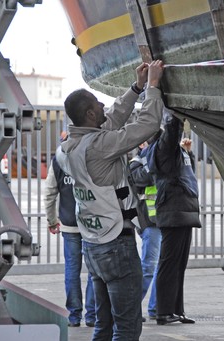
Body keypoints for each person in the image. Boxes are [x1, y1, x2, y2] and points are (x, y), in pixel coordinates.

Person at [56, 60, 165, 340]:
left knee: (104, 326)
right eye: (97, 104)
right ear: (91, 115)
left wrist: (135, 88)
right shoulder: (100, 147)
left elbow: (111, 119)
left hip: (93, 244)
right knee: (127, 327)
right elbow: (148, 124)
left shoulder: (69, 148)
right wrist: (152, 87)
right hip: (116, 245)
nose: (103, 106)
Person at [145, 111, 202, 325]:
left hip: (182, 211)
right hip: (174, 211)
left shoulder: (172, 152)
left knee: (179, 264)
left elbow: (187, 174)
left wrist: (189, 153)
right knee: (169, 263)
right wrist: (175, 113)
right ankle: (164, 311)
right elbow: (171, 131)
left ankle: (176, 310)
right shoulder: (162, 149)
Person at [44, 152, 96, 328]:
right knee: (94, 270)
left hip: (69, 223)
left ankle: (74, 316)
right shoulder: (92, 155)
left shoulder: (59, 160)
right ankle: (92, 315)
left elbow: (50, 192)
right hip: (92, 223)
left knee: (72, 269)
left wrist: (52, 220)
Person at [129, 136, 162, 321]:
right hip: (149, 222)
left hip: (165, 219)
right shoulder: (136, 162)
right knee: (148, 267)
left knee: (161, 267)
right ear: (142, 144)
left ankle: (157, 308)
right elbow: (142, 179)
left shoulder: (162, 158)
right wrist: (153, 160)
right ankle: (131, 308)